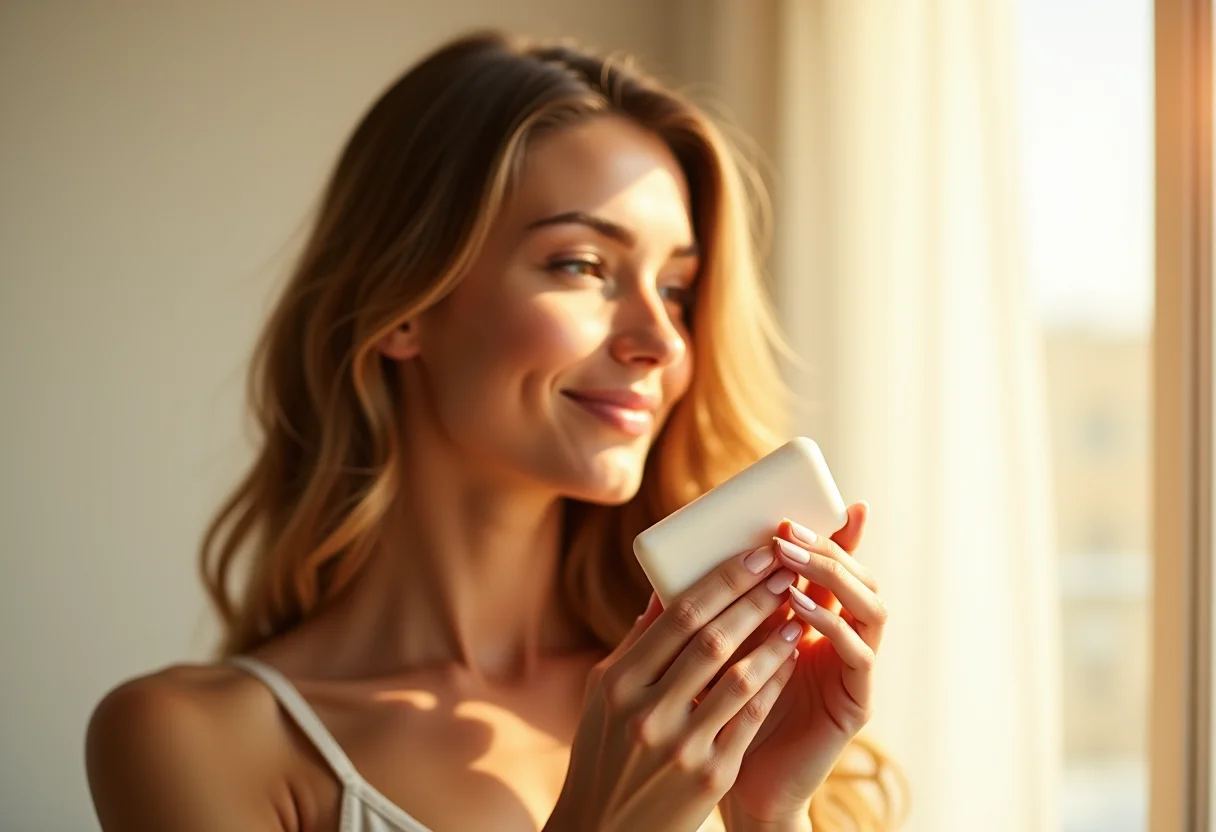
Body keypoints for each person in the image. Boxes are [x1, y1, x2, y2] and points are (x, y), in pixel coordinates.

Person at [85, 30, 906, 832]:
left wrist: (767, 817)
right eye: (582, 265)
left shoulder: (710, 703)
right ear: (405, 308)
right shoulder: (193, 741)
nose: (662, 341)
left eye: (678, 288)